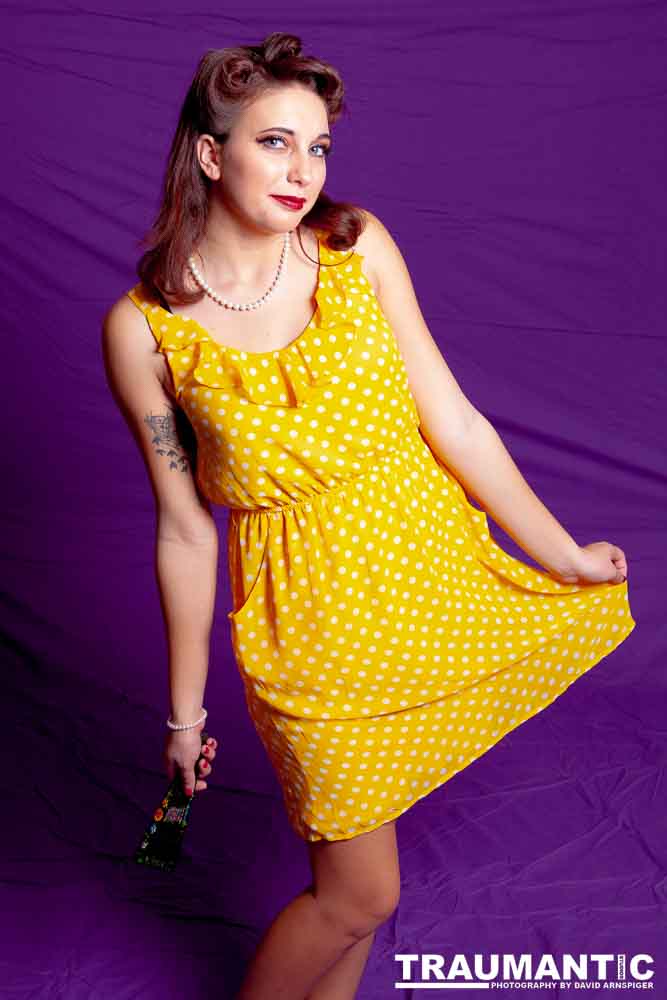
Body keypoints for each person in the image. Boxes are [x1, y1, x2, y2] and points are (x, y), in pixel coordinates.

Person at [101, 31, 635, 1000]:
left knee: (358, 904)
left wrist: (560, 555)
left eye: (317, 146)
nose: (302, 170)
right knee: (359, 895)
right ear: (211, 154)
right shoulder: (144, 331)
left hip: (431, 593)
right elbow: (183, 528)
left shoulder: (355, 248)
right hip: (305, 636)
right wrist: (186, 716)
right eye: (274, 142)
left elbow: (455, 421)